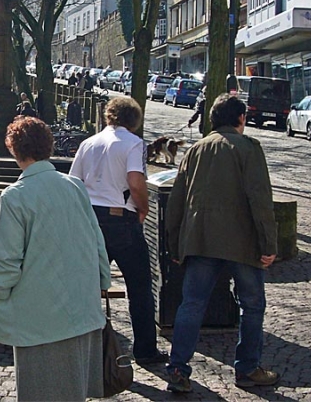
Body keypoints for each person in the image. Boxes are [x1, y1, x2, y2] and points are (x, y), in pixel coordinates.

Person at [0, 116, 110, 401]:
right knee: (73, 391)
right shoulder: (74, 186)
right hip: (80, 306)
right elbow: (97, 241)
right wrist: (102, 282)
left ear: (14, 150)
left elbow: (7, 259)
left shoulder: (16, 196)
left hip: (37, 314)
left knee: (39, 391)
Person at [164, 94, 279, 393]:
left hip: (200, 239)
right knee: (252, 305)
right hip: (242, 242)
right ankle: (247, 368)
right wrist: (268, 243)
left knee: (192, 304)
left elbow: (177, 200)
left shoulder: (196, 149)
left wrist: (175, 243)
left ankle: (177, 368)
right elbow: (260, 199)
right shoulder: (249, 148)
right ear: (240, 119)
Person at [69, 96, 167, 365]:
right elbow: (135, 181)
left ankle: (80, 344)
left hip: (91, 218)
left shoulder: (88, 143)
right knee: (139, 287)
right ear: (134, 119)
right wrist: (143, 208)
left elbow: (74, 182)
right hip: (121, 218)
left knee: (86, 286)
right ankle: (145, 350)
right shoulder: (134, 143)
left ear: (109, 115)